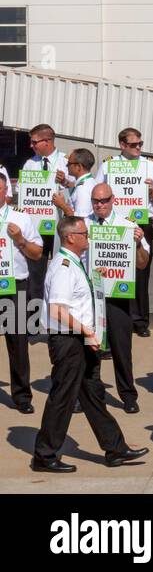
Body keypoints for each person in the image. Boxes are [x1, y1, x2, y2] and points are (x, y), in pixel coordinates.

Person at [31, 217, 147, 473]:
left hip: (80, 340)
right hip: (68, 341)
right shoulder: (63, 266)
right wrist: (87, 332)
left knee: (93, 395)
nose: (88, 237)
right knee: (62, 397)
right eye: (84, 233)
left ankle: (115, 448)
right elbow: (58, 311)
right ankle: (44, 454)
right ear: (71, 237)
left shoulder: (75, 264)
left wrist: (95, 280)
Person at [94, 127, 153, 337]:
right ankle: (112, 316)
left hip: (141, 222)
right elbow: (99, 191)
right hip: (113, 224)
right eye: (134, 144)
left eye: (140, 144)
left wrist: (152, 192)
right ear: (122, 145)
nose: (138, 148)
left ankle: (140, 320)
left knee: (141, 272)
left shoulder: (150, 166)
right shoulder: (108, 166)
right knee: (113, 269)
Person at [85, 183, 151, 413]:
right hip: (90, 296)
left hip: (118, 297)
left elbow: (142, 263)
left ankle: (128, 395)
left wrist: (137, 243)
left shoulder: (128, 227)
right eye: (95, 201)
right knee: (89, 348)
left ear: (113, 200)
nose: (99, 205)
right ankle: (88, 395)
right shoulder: (84, 225)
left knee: (122, 348)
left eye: (103, 200)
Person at [0, 173, 45, 413]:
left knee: (17, 343)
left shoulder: (21, 218)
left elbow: (37, 253)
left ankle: (22, 396)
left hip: (13, 286)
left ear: (6, 191)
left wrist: (19, 240)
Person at [18, 123, 69, 326]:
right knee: (36, 276)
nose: (31, 146)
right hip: (37, 228)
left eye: (34, 141)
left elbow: (79, 191)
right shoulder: (30, 164)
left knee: (60, 274)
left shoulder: (66, 161)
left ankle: (59, 319)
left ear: (47, 142)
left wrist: (66, 182)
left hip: (59, 228)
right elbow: (23, 194)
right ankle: (35, 321)